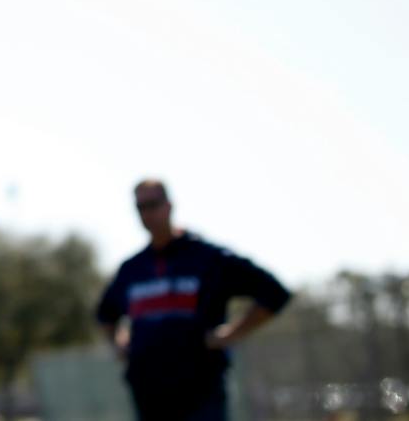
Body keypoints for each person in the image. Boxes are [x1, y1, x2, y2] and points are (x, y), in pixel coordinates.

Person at [95, 179, 291, 421]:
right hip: (149, 392)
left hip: (200, 391)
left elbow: (274, 293)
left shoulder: (207, 258)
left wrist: (230, 334)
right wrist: (119, 344)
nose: (147, 213)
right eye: (140, 207)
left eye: (152, 205)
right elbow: (106, 314)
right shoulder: (132, 269)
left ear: (169, 205)